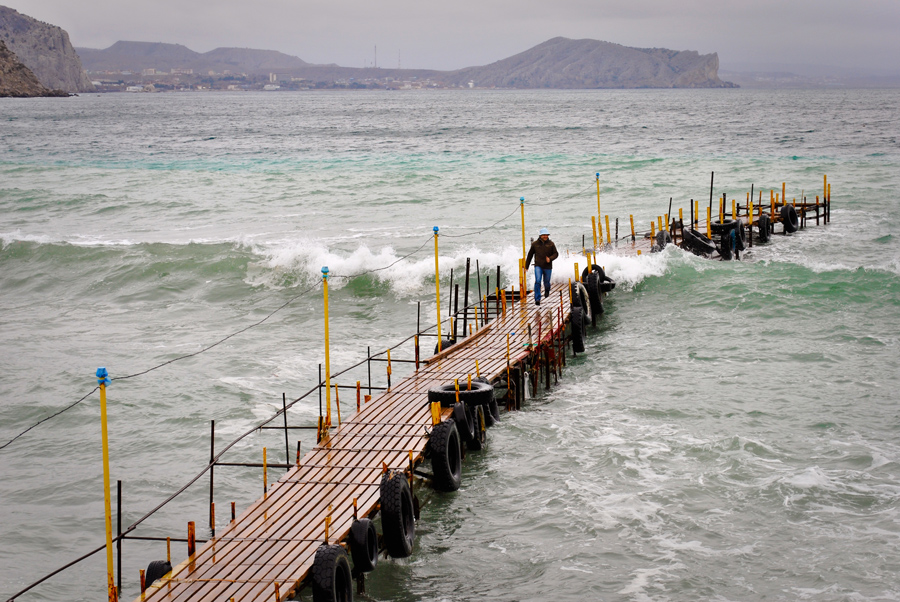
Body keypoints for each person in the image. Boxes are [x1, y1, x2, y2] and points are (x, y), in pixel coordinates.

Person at [524, 227, 558, 305]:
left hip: (548, 266)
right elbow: (530, 255)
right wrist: (526, 266)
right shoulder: (535, 244)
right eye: (544, 235)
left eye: (546, 235)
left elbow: (556, 254)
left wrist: (550, 258)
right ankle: (537, 299)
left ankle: (547, 290)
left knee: (546, 282)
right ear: (540, 235)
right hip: (538, 266)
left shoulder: (551, 244)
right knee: (538, 281)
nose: (545, 236)